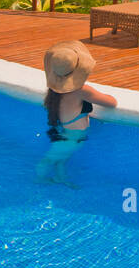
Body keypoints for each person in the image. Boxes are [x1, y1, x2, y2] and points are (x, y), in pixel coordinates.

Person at [39, 40, 117, 185]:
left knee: (60, 159)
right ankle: (36, 183)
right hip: (73, 137)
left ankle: (59, 179)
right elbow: (112, 103)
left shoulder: (53, 90)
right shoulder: (82, 91)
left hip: (60, 130)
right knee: (48, 159)